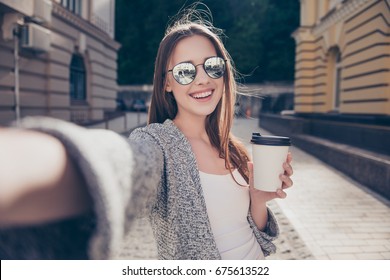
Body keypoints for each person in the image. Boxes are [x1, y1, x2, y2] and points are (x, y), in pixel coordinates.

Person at [0, 6, 293, 260]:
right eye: (184, 71)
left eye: (212, 66)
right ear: (166, 83)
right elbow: (121, 162)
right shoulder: (158, 143)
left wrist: (258, 200)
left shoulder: (231, 146)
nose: (202, 78)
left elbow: (255, 236)